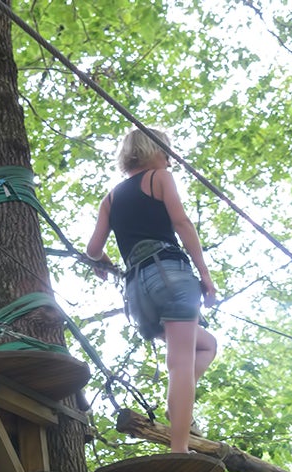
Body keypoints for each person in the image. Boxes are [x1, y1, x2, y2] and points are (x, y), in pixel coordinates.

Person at [85, 127, 218, 453]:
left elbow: (92, 249)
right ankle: (179, 449)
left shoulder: (111, 198)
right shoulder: (159, 177)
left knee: (206, 346)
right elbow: (182, 223)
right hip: (169, 274)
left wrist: (102, 261)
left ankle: (178, 406)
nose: (169, 160)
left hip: (138, 294)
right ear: (151, 151)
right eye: (166, 152)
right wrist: (205, 275)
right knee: (180, 364)